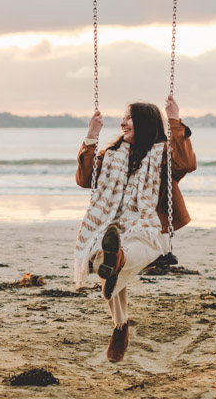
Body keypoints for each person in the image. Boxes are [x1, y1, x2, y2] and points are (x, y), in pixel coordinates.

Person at [74, 95, 196, 363]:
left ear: (144, 122)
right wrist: (92, 136)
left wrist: (175, 120)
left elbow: (187, 163)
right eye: (123, 118)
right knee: (102, 255)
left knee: (128, 248)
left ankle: (117, 267)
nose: (122, 123)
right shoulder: (111, 154)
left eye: (129, 118)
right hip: (112, 225)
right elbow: (85, 179)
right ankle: (120, 321)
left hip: (150, 228)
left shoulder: (164, 157)